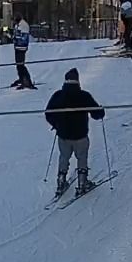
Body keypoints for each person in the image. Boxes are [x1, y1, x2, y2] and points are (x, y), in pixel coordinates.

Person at [44, 68, 107, 196]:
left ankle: (61, 181)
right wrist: (101, 110)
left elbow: (48, 113)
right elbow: (97, 114)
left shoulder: (58, 95)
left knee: (64, 157)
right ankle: (82, 183)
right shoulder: (84, 96)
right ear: (77, 81)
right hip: (80, 135)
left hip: (63, 135)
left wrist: (56, 124)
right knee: (82, 157)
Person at [11, 14, 36, 89]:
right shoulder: (18, 25)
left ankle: (26, 81)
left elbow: (24, 38)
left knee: (21, 65)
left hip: (21, 47)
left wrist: (15, 38)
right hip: (17, 47)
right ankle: (21, 78)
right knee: (18, 65)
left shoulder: (23, 25)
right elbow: (15, 34)